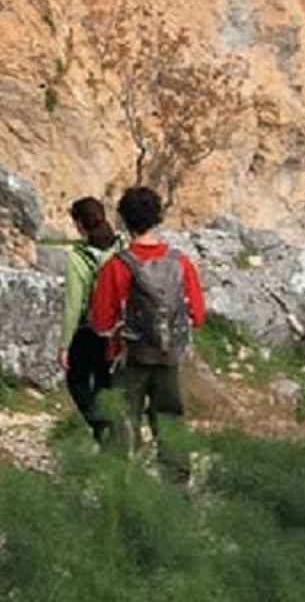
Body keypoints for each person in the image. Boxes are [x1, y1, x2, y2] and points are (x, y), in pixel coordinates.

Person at [89, 186, 206, 453]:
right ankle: (176, 485)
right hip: (169, 357)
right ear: (157, 219)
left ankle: (124, 484)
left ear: (124, 220)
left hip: (129, 357)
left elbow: (101, 322)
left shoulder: (115, 266)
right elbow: (197, 315)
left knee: (122, 422)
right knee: (171, 423)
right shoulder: (181, 263)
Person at [58, 197, 120, 443]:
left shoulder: (78, 258)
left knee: (77, 380)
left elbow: (73, 305)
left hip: (90, 329)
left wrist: (64, 345)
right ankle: (111, 435)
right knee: (105, 382)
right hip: (117, 328)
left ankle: (102, 429)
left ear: (80, 225)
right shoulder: (120, 248)